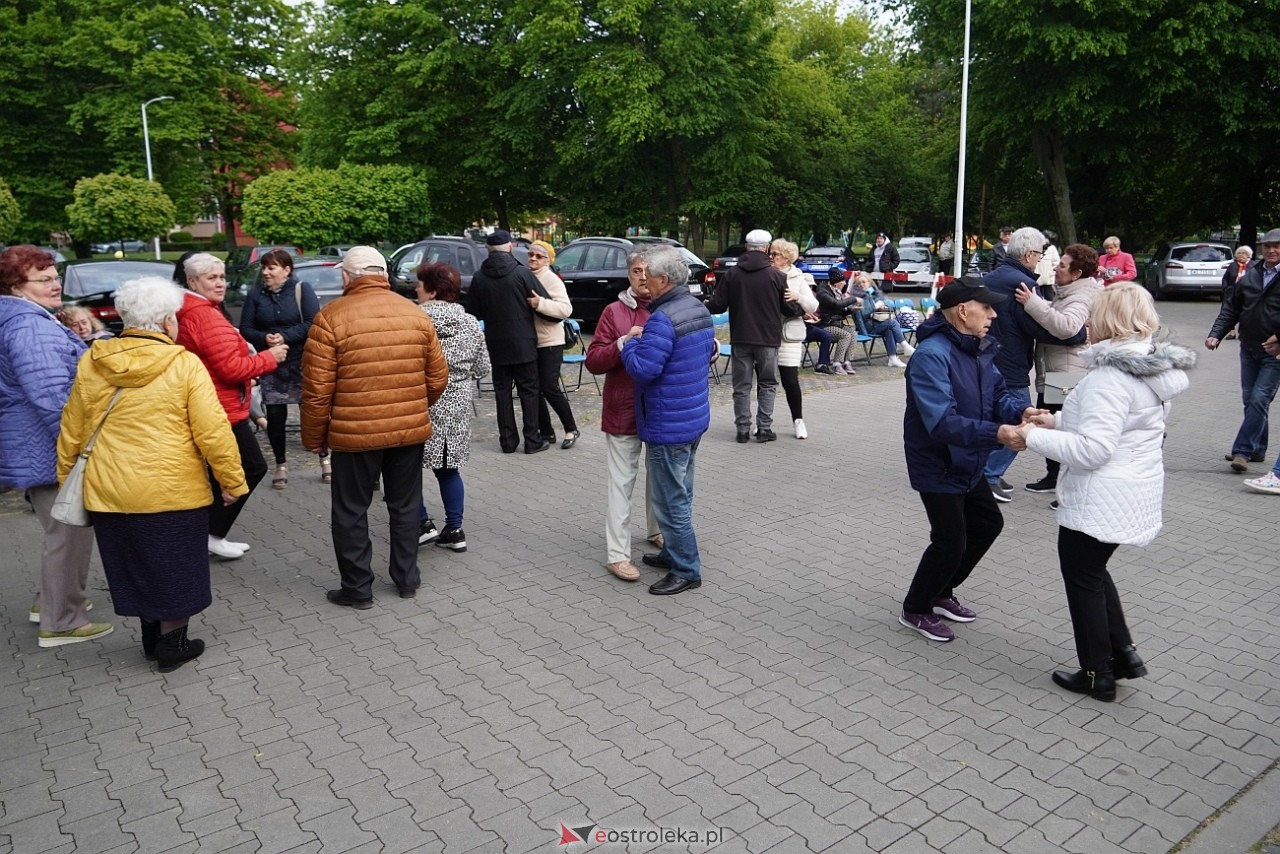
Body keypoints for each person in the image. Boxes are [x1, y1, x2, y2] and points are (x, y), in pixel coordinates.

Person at [58, 276, 248, 671]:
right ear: (165, 322)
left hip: (110, 490)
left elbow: (72, 428)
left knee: (136, 564)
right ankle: (172, 646)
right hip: (171, 490)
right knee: (177, 568)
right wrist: (232, 482)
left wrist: (66, 479)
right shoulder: (182, 363)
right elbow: (212, 431)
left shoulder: (93, 360)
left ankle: (150, 641)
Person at [1017, 284, 1194, 700]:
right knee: (1092, 571)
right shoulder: (1149, 366)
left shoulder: (1110, 377)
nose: (1088, 320)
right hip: (1132, 485)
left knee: (1083, 576)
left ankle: (1097, 673)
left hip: (1103, 492)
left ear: (1108, 319)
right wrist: (1055, 423)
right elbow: (1116, 427)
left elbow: (1094, 449)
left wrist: (1030, 437)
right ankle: (1122, 653)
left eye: (1095, 313)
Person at [301, 246, 449, 608]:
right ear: (383, 275)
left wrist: (315, 438)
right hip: (407, 432)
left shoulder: (330, 318)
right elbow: (438, 377)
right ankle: (407, 580)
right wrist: (411, 407)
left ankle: (357, 588)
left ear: (346, 277)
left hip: (354, 436)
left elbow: (316, 391)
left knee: (351, 511)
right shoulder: (414, 314)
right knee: (405, 505)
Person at [899, 276, 1041, 643]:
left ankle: (942, 592)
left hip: (969, 459)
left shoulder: (977, 347)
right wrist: (997, 434)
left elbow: (998, 397)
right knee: (950, 542)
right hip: (939, 463)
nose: (993, 314)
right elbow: (942, 422)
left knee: (988, 524)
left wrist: (1022, 411)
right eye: (987, 308)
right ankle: (916, 607)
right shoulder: (932, 355)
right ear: (963, 311)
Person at [0, 245, 111, 648]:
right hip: (49, 447)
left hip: (37, 444)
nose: (55, 284)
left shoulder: (22, 318)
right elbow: (51, 395)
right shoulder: (30, 326)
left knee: (59, 531)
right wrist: (79, 448)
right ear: (16, 286)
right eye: (43, 278)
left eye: (54, 276)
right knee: (68, 532)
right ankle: (62, 621)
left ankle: (47, 603)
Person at [620, 247, 718, 595]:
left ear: (664, 280)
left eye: (649, 276)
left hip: (667, 422)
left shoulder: (662, 318)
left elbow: (644, 369)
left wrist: (628, 345)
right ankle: (674, 552)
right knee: (682, 491)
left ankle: (687, 569)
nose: (644, 280)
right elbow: (708, 353)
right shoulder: (697, 308)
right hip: (691, 417)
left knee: (669, 499)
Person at [176, 253, 285, 559]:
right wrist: (268, 359)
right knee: (252, 467)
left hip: (214, 404)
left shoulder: (199, 310)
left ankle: (203, 535)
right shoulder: (204, 315)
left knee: (215, 476)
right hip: (221, 410)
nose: (221, 283)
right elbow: (231, 368)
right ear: (193, 281)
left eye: (222, 277)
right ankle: (211, 534)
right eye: (212, 278)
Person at [980, 227, 1087, 501]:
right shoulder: (1023, 284)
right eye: (1041, 254)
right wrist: (1082, 335)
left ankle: (993, 474)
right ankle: (987, 476)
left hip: (997, 360)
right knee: (1024, 423)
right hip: (1019, 365)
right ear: (1028, 254)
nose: (1044, 262)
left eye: (1060, 264)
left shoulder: (995, 277)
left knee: (1010, 419)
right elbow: (1044, 328)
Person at [585, 250, 661, 582]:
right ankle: (617, 554)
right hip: (624, 407)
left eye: (649, 270)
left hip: (660, 410)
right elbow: (594, 360)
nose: (643, 277)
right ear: (628, 275)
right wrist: (621, 342)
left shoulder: (669, 308)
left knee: (660, 477)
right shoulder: (614, 311)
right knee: (621, 483)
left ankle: (657, 531)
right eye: (636, 271)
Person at [415, 262, 490, 553]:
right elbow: (483, 366)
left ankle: (422, 523)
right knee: (448, 468)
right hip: (457, 401)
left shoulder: (415, 319)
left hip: (421, 399)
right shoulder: (470, 321)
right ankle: (455, 530)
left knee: (407, 467)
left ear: (431, 290)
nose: (416, 291)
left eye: (418, 286)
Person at [1018, 244, 1103, 494]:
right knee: (1052, 422)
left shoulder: (1080, 297)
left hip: (1067, 373)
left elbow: (1067, 327)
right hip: (1059, 371)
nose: (1056, 267)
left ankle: (1067, 486)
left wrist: (1033, 303)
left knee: (1062, 428)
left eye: (1062, 265)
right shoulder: (1069, 292)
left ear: (1077, 273)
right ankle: (1054, 477)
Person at [705, 228, 799, 443]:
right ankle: (764, 428)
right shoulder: (777, 276)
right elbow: (787, 308)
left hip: (740, 338)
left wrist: (706, 305)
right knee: (767, 383)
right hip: (768, 340)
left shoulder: (732, 274)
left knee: (741, 386)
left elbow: (718, 305)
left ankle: (742, 430)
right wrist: (801, 307)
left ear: (747, 247)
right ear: (766, 248)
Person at [238, 248, 322, 489]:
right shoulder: (255, 295)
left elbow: (311, 322)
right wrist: (266, 339)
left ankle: (324, 458)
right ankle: (280, 464)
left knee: (311, 412)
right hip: (271, 363)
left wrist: (284, 336)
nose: (265, 272)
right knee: (275, 415)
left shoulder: (301, 289)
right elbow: (245, 327)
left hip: (301, 361)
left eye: (271, 267)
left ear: (286, 270)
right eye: (264, 267)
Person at [465, 229, 552, 454]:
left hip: (496, 342)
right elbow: (544, 302)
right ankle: (532, 440)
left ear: (488, 250)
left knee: (502, 392)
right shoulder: (522, 273)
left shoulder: (479, 277)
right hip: (524, 341)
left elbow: (472, 312)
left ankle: (507, 441)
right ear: (511, 247)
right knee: (529, 391)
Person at [1208, 228, 1280, 474]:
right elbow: (1232, 308)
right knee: (1251, 400)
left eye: (1277, 246)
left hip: (1275, 353)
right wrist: (1216, 334)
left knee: (1260, 398)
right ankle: (1258, 447)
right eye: (1267, 246)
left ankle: (1242, 451)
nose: (1271, 250)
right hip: (1248, 348)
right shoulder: (1250, 274)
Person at [525, 239, 580, 449]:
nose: (533, 259)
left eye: (539, 256)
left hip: (550, 341)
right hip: (531, 341)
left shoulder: (551, 279)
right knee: (534, 389)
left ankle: (571, 428)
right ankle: (546, 432)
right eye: (531, 255)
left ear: (548, 260)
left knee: (549, 387)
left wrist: (541, 303)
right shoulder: (526, 276)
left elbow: (565, 310)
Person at [768, 239, 819, 439]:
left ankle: (798, 421)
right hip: (767, 334)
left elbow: (813, 306)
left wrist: (798, 296)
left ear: (787, 258)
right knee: (766, 382)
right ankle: (763, 422)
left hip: (789, 336)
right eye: (771, 253)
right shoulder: (766, 274)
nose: (772, 257)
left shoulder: (799, 276)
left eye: (776, 254)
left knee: (790, 381)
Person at [850, 271, 915, 368]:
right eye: (859, 283)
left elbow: (885, 301)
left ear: (869, 283)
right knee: (893, 323)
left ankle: (893, 359)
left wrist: (882, 305)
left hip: (877, 322)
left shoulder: (872, 293)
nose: (861, 285)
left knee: (889, 330)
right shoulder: (858, 296)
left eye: (864, 282)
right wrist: (876, 306)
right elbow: (863, 315)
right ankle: (905, 346)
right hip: (867, 325)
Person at [813, 267, 859, 375]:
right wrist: (853, 299)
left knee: (852, 332)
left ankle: (847, 362)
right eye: (842, 281)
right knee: (845, 335)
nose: (844, 283)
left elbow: (839, 310)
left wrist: (850, 310)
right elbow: (836, 304)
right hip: (824, 325)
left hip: (837, 323)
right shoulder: (822, 292)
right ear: (835, 282)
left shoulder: (836, 291)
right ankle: (837, 363)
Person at [1220, 245, 1253, 341]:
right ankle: (1232, 332)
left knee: (1246, 314)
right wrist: (1226, 288)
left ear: (1249, 255)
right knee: (1229, 313)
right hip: (1231, 293)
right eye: (1239, 253)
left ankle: (1244, 332)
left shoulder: (1253, 265)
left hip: (1247, 294)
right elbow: (1225, 278)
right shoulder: (1232, 265)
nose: (1241, 255)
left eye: (1244, 253)